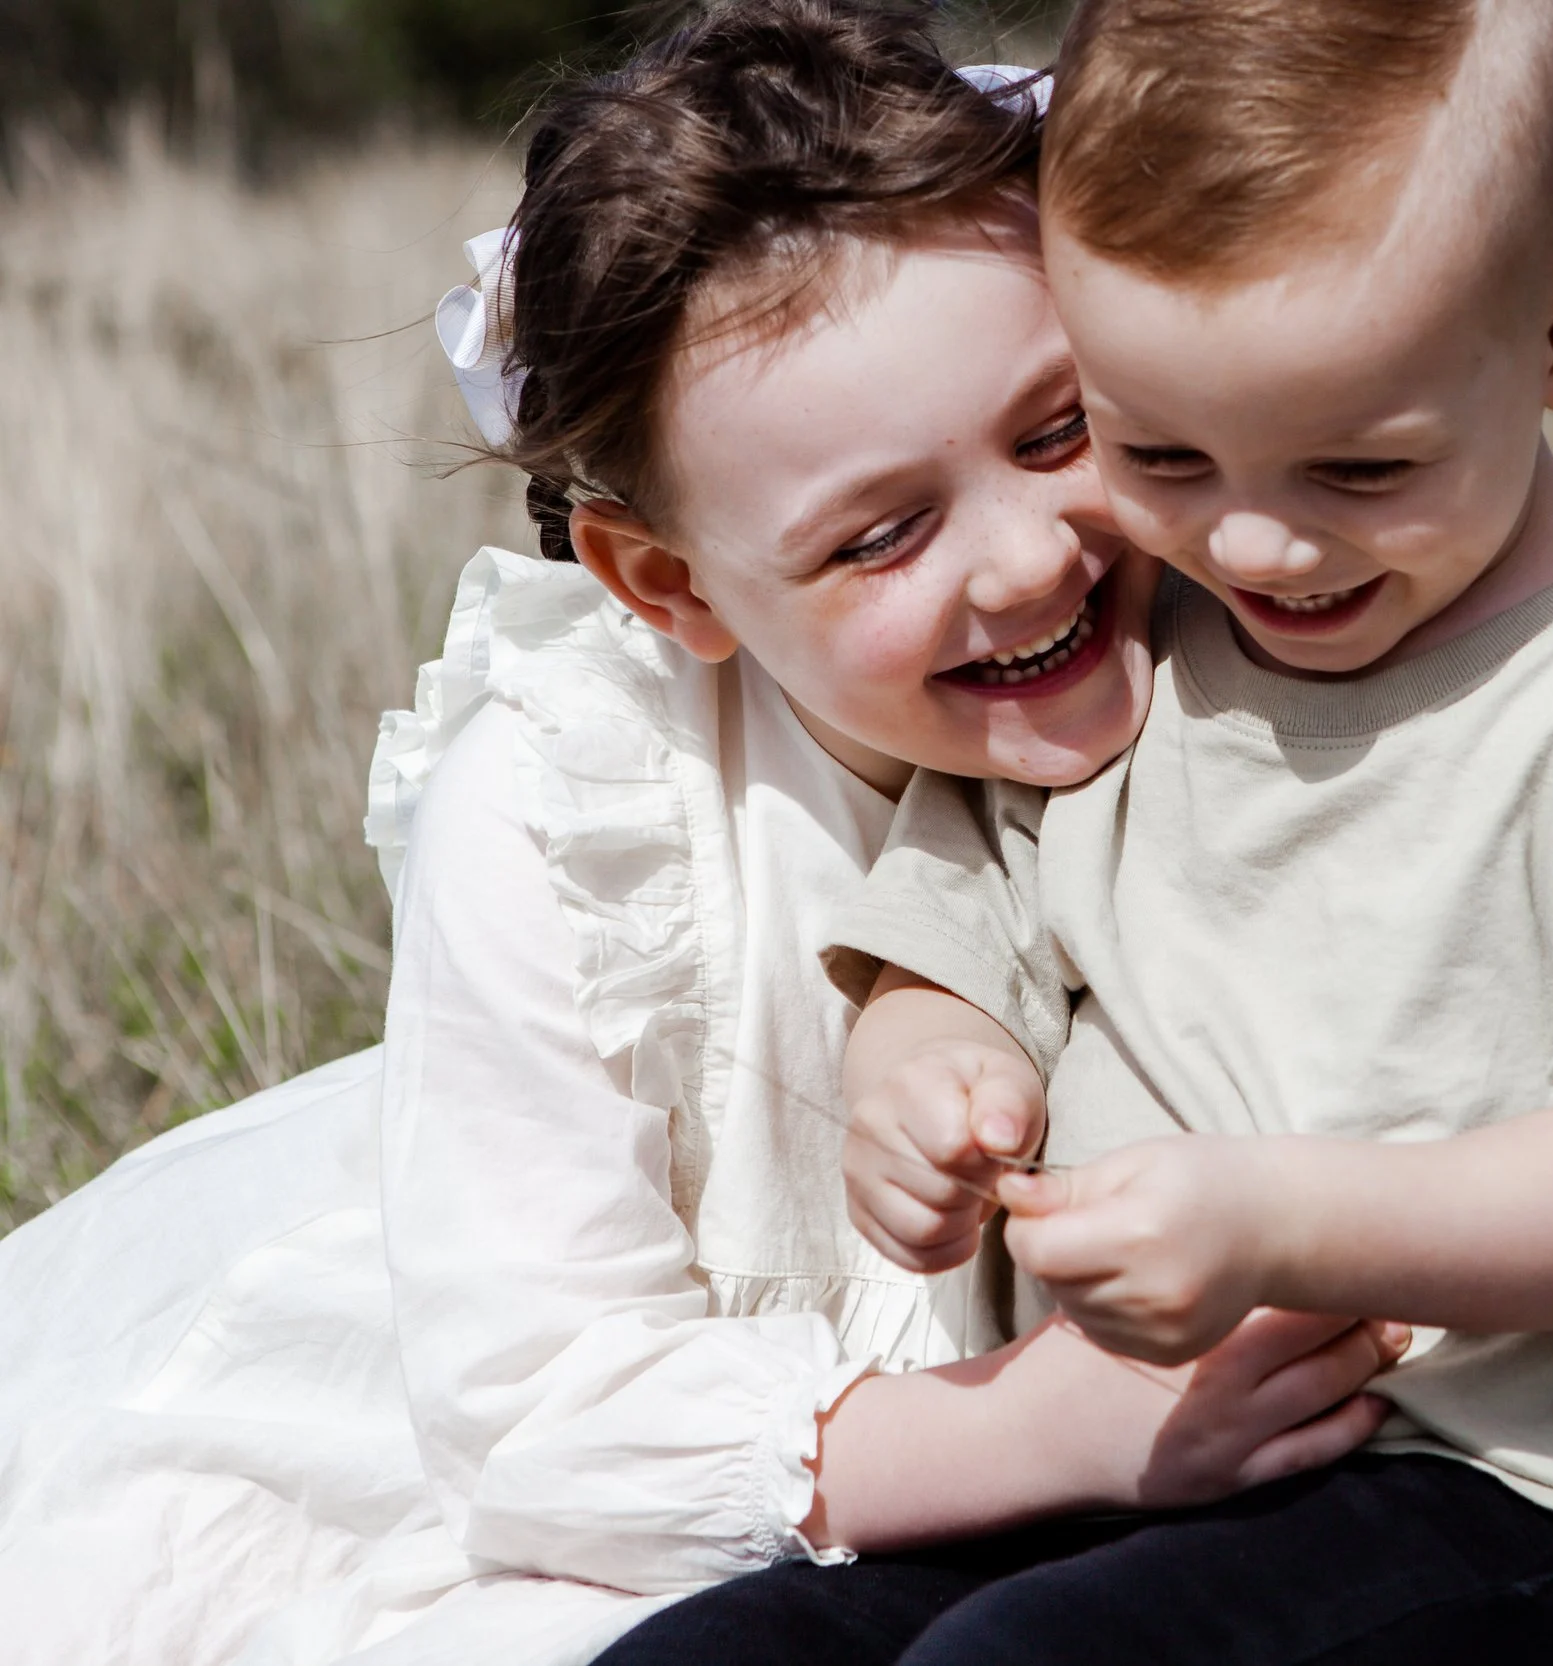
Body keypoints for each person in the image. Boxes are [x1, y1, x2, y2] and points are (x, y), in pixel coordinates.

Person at [0, 8, 1406, 1664]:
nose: (1029, 559)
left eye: (1054, 429)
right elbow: (542, 1423)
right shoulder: (560, 813)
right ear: (669, 585)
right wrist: (1044, 1429)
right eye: (883, 533)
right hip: (577, 1413)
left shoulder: (1261, 600)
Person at [752, 1, 1553, 1663]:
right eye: (1158, 449)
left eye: (1359, 469)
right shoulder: (1148, 639)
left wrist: (1280, 1222)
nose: (1257, 539)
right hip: (1127, 1477)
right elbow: (979, 906)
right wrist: (919, 1053)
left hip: (1522, 1509)